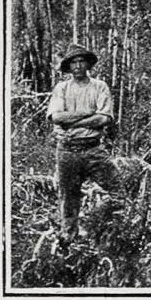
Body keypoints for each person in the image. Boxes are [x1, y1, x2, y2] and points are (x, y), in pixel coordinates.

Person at [47, 43, 123, 242]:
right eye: (74, 62)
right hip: (67, 151)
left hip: (93, 149)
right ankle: (68, 239)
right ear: (69, 66)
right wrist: (87, 113)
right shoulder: (62, 88)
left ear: (88, 64)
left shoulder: (99, 86)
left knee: (118, 188)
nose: (78, 66)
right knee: (68, 198)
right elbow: (56, 117)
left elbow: (104, 118)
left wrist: (73, 121)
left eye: (82, 61)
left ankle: (115, 233)